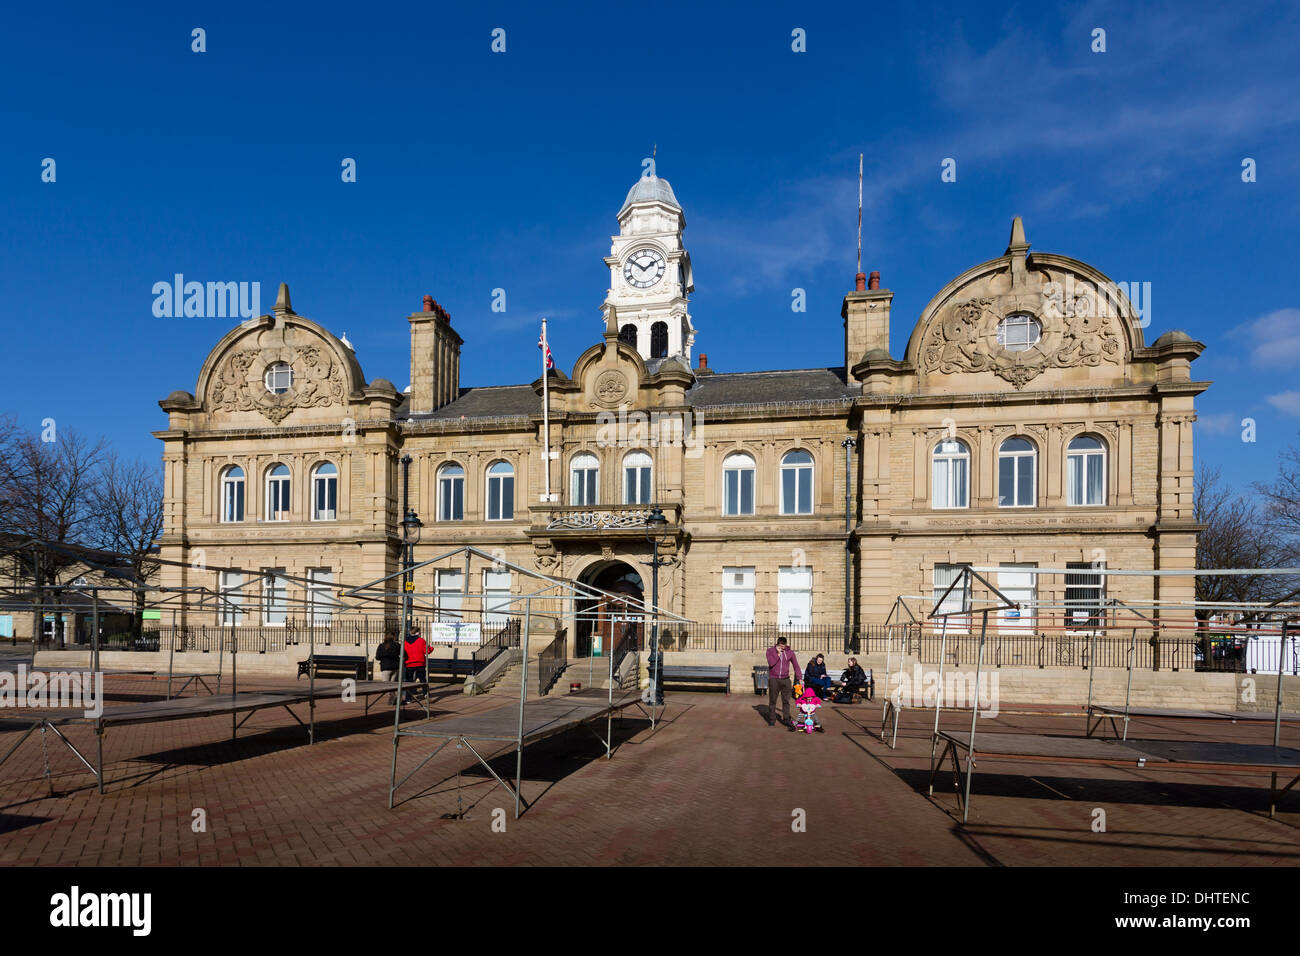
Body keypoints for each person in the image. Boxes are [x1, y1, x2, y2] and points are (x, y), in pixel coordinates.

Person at [765, 635, 802, 730]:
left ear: (785, 645)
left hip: (786, 680)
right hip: (774, 679)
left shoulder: (790, 653)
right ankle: (772, 720)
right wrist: (777, 654)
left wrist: (800, 678)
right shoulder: (770, 651)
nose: (782, 648)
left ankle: (786, 719)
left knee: (786, 701)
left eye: (783, 646)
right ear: (777, 644)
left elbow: (796, 665)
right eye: (780, 646)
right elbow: (771, 663)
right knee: (773, 701)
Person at [402, 623, 427, 705]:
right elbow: (426, 651)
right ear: (417, 633)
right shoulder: (421, 640)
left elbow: (403, 652)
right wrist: (431, 648)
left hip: (409, 663)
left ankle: (408, 699)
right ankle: (425, 693)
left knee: (409, 682)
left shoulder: (405, 641)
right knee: (422, 679)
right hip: (420, 663)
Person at [376, 632, 401, 703]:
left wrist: (383, 657)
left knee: (386, 685)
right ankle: (392, 698)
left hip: (386, 667)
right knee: (392, 685)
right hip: (395, 667)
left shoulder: (381, 646)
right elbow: (404, 654)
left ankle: (393, 696)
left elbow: (377, 657)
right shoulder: (397, 645)